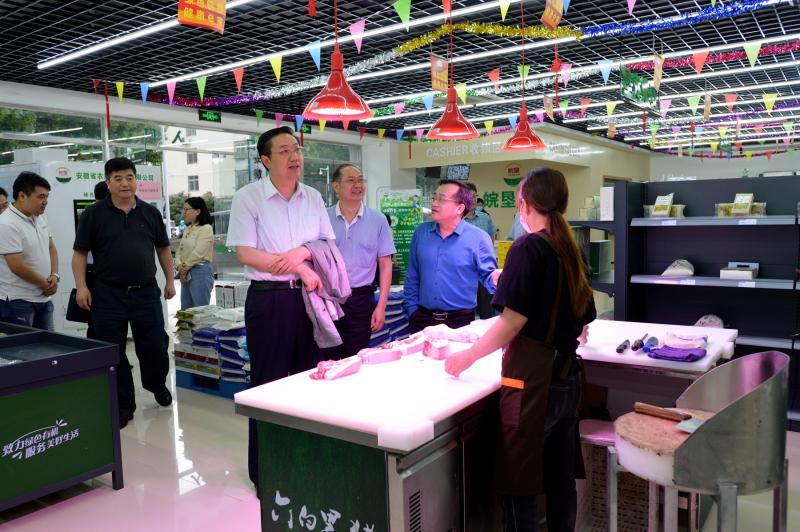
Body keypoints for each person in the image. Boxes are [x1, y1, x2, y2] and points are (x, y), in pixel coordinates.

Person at [445, 167, 597, 532]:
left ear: (524, 204)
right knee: (560, 479)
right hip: (568, 379)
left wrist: (467, 356)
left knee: (518, 479)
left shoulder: (527, 247)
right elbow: (584, 319)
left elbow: (512, 321)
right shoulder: (570, 248)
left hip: (533, 382)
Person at [225, 126, 335, 489]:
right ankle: (266, 473)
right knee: (267, 385)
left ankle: (307, 462)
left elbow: (325, 243)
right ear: (265, 160)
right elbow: (245, 253)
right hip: (269, 300)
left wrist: (302, 253)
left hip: (309, 300)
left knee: (310, 380)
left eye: (297, 149)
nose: (294, 157)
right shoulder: (248, 197)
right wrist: (300, 267)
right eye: (285, 151)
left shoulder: (313, 197)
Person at [72, 157, 176, 429]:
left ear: (136, 179)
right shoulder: (93, 214)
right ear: (108, 183)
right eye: (117, 178)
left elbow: (163, 249)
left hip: (146, 293)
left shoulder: (150, 213)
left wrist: (170, 280)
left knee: (155, 345)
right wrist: (82, 286)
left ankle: (156, 384)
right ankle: (123, 405)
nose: (125, 183)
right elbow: (80, 253)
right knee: (112, 350)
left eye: (129, 177)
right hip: (108, 294)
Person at [404, 179, 500, 333]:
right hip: (422, 318)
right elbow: (412, 275)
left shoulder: (479, 238)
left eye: (441, 199)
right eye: (434, 197)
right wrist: (412, 311)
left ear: (459, 208)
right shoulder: (421, 233)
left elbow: (489, 277)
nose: (434, 203)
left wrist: (498, 278)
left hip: (460, 321)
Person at [326, 164, 395, 358]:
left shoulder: (378, 220)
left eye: (360, 180)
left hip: (361, 300)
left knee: (356, 358)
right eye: (351, 180)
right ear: (336, 186)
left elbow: (385, 264)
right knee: (327, 358)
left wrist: (381, 307)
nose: (358, 185)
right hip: (328, 299)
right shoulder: (322, 218)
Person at [0, 172, 58, 330]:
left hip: (44, 299)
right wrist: (46, 284)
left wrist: (55, 275)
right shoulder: (6, 223)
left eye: (47, 196)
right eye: (40, 197)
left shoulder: (40, 216)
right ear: (22, 196)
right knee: (23, 346)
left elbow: (51, 247)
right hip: (18, 302)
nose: (45, 201)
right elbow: (17, 266)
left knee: (48, 344)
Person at [463, 183, 497, 320]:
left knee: (486, 308)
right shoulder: (457, 220)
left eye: (474, 196)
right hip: (464, 270)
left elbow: (491, 238)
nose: (472, 199)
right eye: (468, 196)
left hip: (483, 269)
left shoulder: (485, 218)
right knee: (465, 309)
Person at [176, 197, 214, 309]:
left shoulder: (206, 228)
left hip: (200, 271)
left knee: (200, 311)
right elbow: (179, 251)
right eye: (183, 209)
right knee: (186, 311)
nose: (184, 212)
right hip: (185, 272)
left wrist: (184, 269)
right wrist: (179, 267)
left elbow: (199, 253)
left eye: (186, 209)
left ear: (197, 211)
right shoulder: (187, 229)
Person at [84, 180, 109, 339]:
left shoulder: (89, 214)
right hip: (98, 274)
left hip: (91, 272)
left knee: (95, 317)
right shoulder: (95, 215)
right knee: (100, 317)